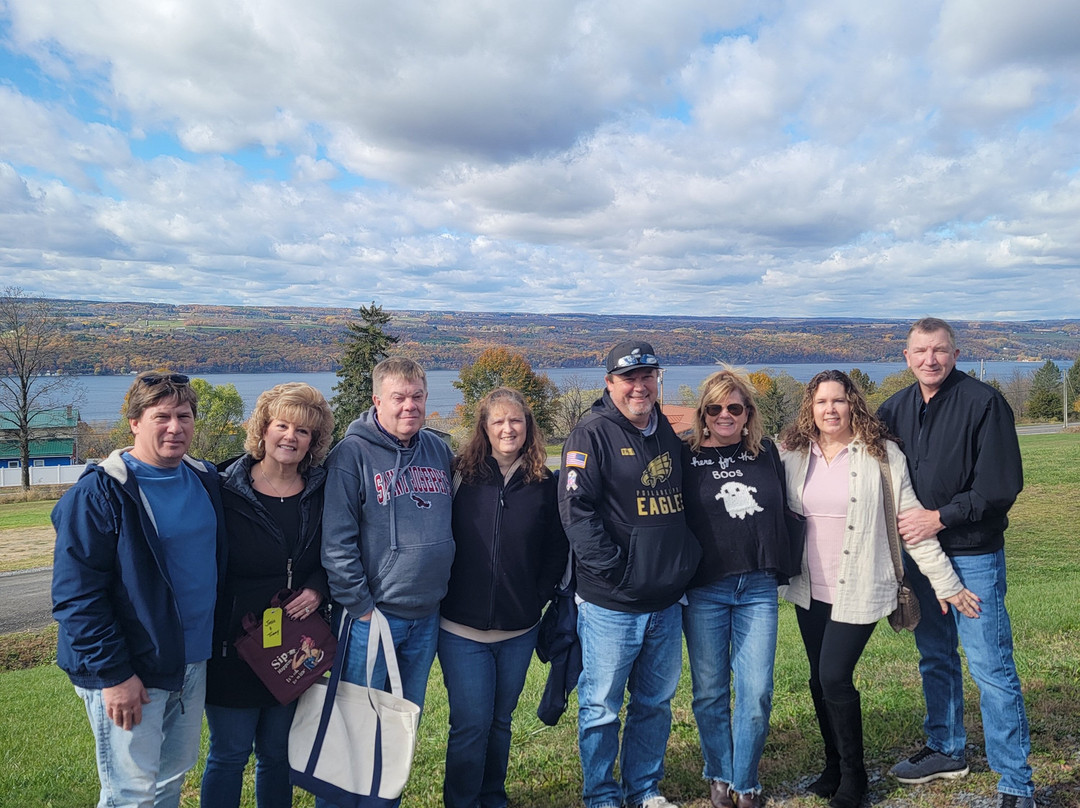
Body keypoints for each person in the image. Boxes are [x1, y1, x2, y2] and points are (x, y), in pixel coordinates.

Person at [778, 370, 980, 808]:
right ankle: (833, 768)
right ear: (809, 409)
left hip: (862, 586)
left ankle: (856, 779)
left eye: (839, 400)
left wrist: (946, 583)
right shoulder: (792, 453)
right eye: (821, 402)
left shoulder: (882, 454)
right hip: (810, 587)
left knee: (834, 674)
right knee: (817, 680)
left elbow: (911, 523)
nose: (830, 409)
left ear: (854, 403)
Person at [878, 318, 1034, 808]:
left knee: (990, 665)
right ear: (906, 356)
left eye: (940, 350)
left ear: (955, 353)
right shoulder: (894, 409)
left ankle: (1015, 783)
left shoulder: (984, 403)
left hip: (973, 557)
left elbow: (1000, 486)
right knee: (935, 657)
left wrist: (938, 519)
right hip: (921, 560)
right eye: (921, 351)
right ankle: (946, 749)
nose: (931, 359)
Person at [51, 371, 226, 808]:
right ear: (134, 422)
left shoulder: (205, 479)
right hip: (131, 671)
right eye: (161, 416)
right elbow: (76, 597)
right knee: (129, 793)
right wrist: (114, 677)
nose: (175, 427)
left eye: (183, 416)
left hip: (190, 663)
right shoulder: (100, 492)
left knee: (169, 781)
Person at [559, 339, 702, 808]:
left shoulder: (668, 433)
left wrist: (684, 561)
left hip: (666, 600)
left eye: (647, 376)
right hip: (611, 603)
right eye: (628, 379)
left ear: (658, 379)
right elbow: (576, 512)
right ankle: (601, 795)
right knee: (601, 707)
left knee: (654, 703)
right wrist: (616, 574)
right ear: (609, 383)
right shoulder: (591, 434)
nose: (639, 387)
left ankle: (644, 789)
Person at [320, 356, 455, 808]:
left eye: (417, 396)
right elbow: (336, 543)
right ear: (377, 400)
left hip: (426, 616)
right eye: (398, 397)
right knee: (355, 728)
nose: (409, 406)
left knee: (398, 730)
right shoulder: (350, 455)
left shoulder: (438, 450)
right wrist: (359, 605)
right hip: (371, 619)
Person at [200, 382, 334, 808]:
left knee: (277, 755)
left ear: (314, 442)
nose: (291, 437)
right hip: (234, 646)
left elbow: (339, 551)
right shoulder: (223, 489)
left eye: (303, 431)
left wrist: (319, 587)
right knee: (230, 755)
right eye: (282, 425)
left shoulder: (323, 490)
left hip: (294, 647)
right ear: (263, 429)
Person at [439, 387, 568, 808]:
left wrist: (538, 596)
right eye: (498, 421)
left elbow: (556, 548)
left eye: (516, 420)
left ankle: (492, 797)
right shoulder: (459, 474)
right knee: (470, 725)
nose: (508, 428)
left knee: (500, 722)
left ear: (528, 427)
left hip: (519, 628)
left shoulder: (544, 483)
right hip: (460, 629)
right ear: (485, 428)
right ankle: (461, 801)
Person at [681, 369, 794, 808]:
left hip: (757, 587)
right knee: (709, 691)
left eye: (734, 407)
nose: (724, 415)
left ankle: (745, 783)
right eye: (715, 408)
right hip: (705, 589)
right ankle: (719, 776)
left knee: (757, 690)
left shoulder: (766, 452)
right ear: (703, 414)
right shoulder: (685, 455)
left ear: (748, 413)